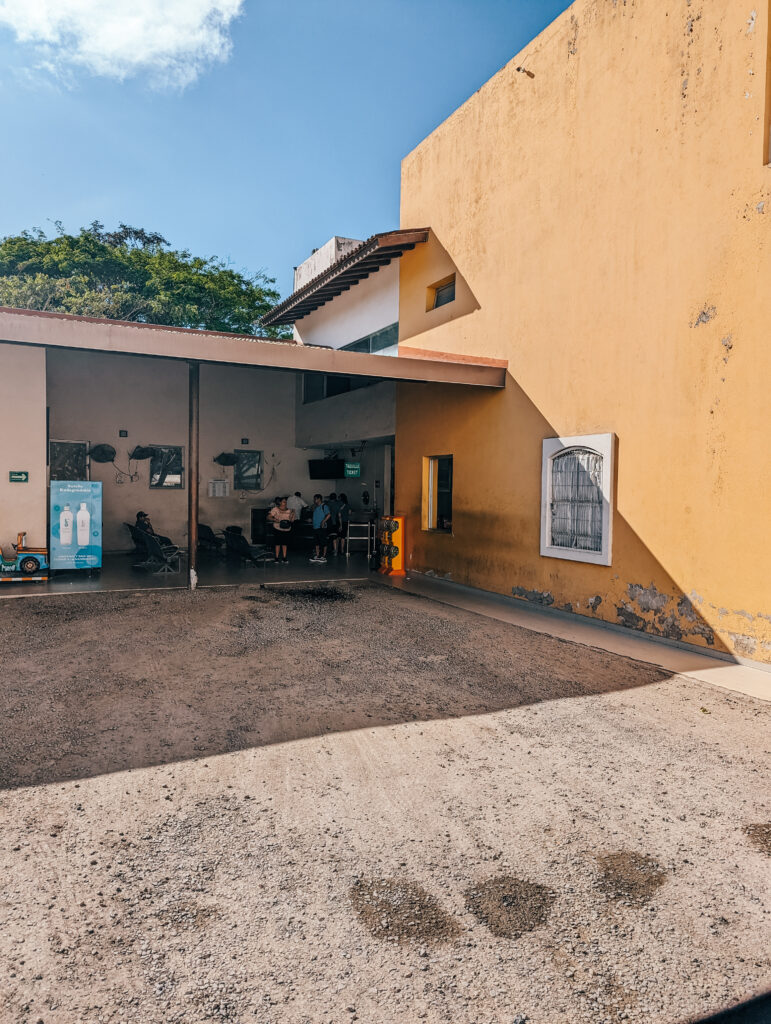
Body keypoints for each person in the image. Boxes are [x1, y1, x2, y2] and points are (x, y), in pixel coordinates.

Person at [267, 497, 295, 563]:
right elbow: (268, 517)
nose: (285, 503)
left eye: (286, 502)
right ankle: (276, 558)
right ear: (280, 502)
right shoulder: (275, 509)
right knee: (277, 543)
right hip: (278, 528)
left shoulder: (289, 510)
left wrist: (292, 514)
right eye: (283, 501)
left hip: (286, 529)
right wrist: (274, 519)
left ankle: (284, 558)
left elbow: (292, 520)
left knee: (285, 544)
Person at [310, 493, 331, 564]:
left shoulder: (324, 506)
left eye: (315, 499)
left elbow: (328, 515)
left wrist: (323, 521)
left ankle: (323, 556)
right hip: (315, 527)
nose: (314, 500)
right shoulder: (316, 507)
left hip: (321, 527)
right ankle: (317, 555)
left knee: (323, 542)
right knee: (316, 542)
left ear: (319, 499)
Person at [336, 492, 350, 556]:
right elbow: (350, 512)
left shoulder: (338, 504)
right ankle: (342, 550)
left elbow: (339, 515)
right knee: (343, 537)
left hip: (339, 522)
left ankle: (336, 549)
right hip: (345, 522)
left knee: (337, 536)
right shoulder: (347, 505)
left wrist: (340, 525)